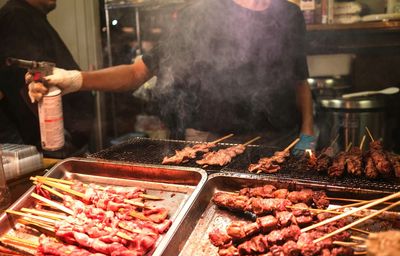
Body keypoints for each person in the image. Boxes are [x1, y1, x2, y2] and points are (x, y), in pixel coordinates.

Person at [28, 0, 315, 155]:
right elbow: (136, 73)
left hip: (278, 141)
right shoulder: (200, 15)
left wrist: (307, 133)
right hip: (210, 144)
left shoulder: (289, 14)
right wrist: (75, 79)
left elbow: (298, 80)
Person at [0, 0, 94, 158]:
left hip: (63, 141)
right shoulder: (16, 16)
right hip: (51, 145)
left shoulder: (29, 15)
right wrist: (58, 141)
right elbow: (33, 81)